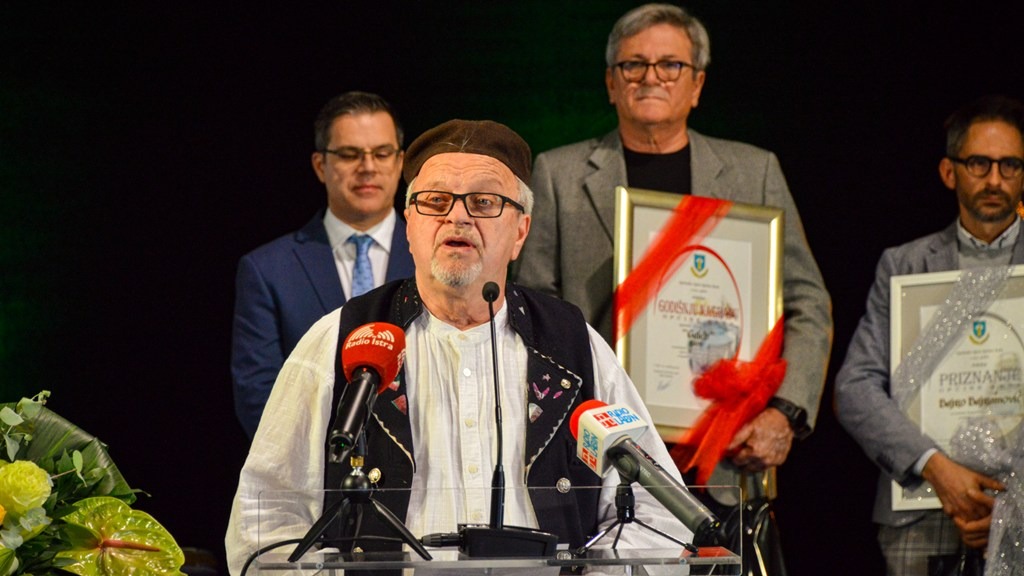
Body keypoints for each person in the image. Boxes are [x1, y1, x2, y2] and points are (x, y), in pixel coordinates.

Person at [225, 119, 695, 573]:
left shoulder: (572, 345)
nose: (457, 216)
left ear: (520, 232)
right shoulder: (342, 338)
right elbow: (264, 518)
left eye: (484, 202)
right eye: (435, 201)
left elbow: (658, 512)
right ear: (409, 224)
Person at [514, 0, 832, 546]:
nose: (650, 77)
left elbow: (808, 302)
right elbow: (535, 308)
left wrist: (784, 414)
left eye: (670, 65)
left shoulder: (754, 171)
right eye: (633, 65)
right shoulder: (558, 174)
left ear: (697, 84)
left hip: (728, 456)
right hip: (604, 457)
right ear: (611, 83)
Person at [835, 95, 1024, 575]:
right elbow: (855, 387)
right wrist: (936, 467)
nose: (995, 180)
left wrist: (1012, 502)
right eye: (979, 164)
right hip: (921, 508)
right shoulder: (905, 266)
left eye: (1010, 165)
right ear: (949, 171)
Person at [231, 91, 415, 439]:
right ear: (320, 165)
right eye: (349, 154)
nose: (368, 167)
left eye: (381, 153)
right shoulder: (268, 270)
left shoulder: (434, 260)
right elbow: (259, 397)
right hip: (313, 466)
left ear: (399, 162)